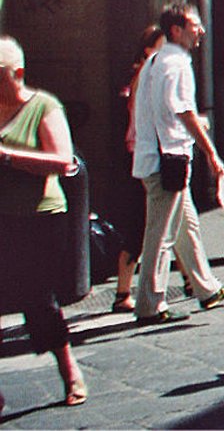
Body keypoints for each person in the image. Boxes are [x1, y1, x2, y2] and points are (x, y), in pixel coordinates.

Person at [131, 2, 224, 324]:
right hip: (168, 161)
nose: (201, 30)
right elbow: (184, 111)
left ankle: (207, 288)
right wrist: (211, 152)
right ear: (176, 30)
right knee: (161, 235)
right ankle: (149, 305)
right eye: (194, 25)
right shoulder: (176, 63)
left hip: (160, 157)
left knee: (187, 227)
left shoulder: (154, 61)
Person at [0, 36, 87, 407]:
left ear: (17, 73)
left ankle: (70, 371)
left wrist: (7, 157)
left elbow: (62, 161)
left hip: (39, 218)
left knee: (37, 301)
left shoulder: (43, 106)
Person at [112, 22, 168, 314]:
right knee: (141, 223)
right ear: (148, 49)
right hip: (143, 156)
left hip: (146, 154)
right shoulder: (147, 76)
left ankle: (194, 280)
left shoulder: (150, 74)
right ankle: (123, 293)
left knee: (169, 219)